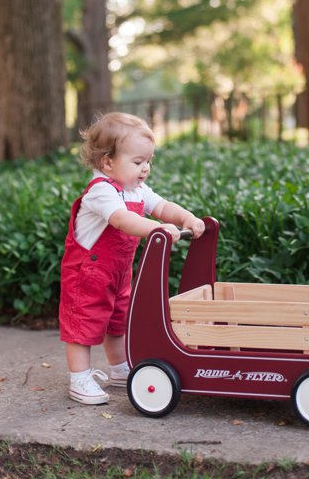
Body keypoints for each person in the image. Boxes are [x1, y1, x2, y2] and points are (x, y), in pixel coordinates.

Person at [58, 112, 205, 404]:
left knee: (119, 319)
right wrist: (157, 228)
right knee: (84, 321)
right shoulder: (101, 191)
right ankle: (79, 378)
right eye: (137, 162)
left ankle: (119, 368)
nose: (145, 168)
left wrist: (186, 218)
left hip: (117, 272)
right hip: (87, 273)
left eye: (148, 161)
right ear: (107, 163)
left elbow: (162, 206)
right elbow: (122, 220)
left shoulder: (135, 189)